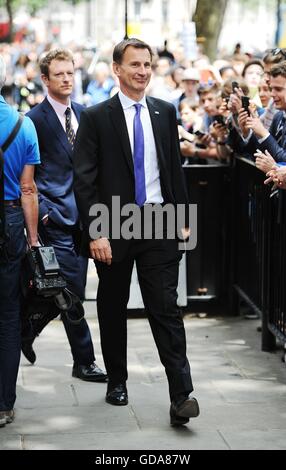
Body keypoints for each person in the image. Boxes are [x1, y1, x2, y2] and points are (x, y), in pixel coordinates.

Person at [73, 38, 200, 426]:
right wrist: (96, 233)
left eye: (147, 64)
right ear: (117, 69)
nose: (143, 71)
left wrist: (183, 223)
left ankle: (182, 394)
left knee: (166, 309)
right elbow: (84, 180)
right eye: (135, 65)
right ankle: (117, 379)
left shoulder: (165, 111)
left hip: (159, 222)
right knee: (112, 306)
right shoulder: (96, 117)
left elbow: (172, 171)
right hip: (115, 224)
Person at [25, 49, 107, 383]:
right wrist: (45, 214)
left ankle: (25, 328)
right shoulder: (34, 120)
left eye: (70, 72)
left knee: (63, 291)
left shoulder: (87, 116)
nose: (67, 79)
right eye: (59, 74)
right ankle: (84, 360)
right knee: (70, 293)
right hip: (56, 220)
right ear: (45, 79)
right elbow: (27, 176)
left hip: (90, 219)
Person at [0, 55, 40, 427]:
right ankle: (4, 403)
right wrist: (33, 238)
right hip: (10, 220)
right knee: (9, 312)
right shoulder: (23, 125)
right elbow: (28, 188)